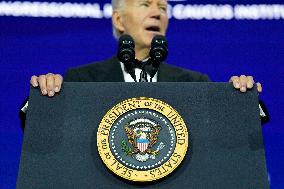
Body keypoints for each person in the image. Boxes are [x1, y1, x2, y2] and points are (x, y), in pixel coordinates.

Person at [20, 0, 268, 128]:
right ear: (119, 19)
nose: (157, 13)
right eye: (145, 4)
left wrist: (241, 99)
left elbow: (232, 132)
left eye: (162, 7)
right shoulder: (83, 79)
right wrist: (44, 94)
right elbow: (39, 125)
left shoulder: (194, 83)